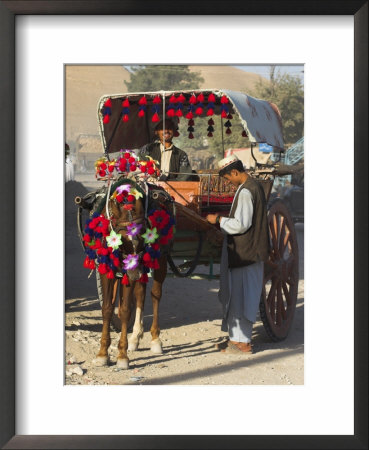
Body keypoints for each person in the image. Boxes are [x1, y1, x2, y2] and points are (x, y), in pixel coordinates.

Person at [206, 154, 270, 354]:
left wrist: (217, 220)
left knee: (241, 298)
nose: (229, 183)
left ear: (234, 172)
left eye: (228, 178)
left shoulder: (245, 192)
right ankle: (236, 339)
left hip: (245, 252)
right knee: (241, 297)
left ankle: (243, 343)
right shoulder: (254, 186)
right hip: (251, 252)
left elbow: (241, 224)